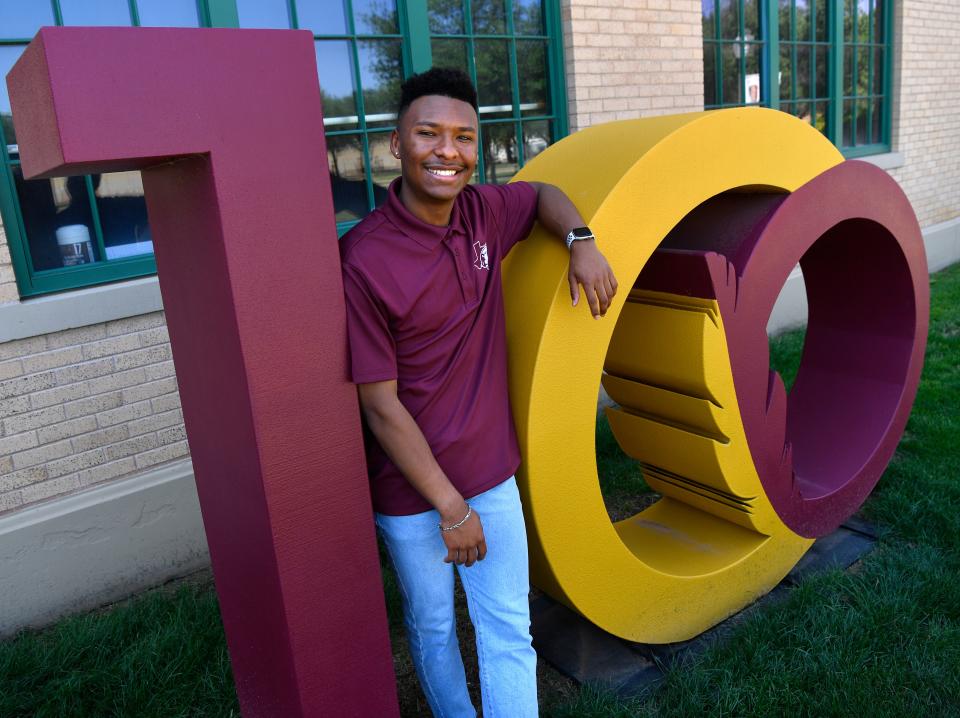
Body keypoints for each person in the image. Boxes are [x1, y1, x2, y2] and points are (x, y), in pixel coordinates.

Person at [340, 67, 617, 717]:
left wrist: (581, 240)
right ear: (395, 144)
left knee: (506, 632)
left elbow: (545, 192)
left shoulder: (485, 212)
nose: (448, 151)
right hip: (411, 496)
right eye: (428, 134)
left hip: (491, 478)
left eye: (464, 137)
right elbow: (379, 404)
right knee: (435, 630)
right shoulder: (362, 259)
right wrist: (449, 507)